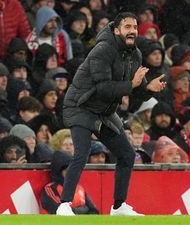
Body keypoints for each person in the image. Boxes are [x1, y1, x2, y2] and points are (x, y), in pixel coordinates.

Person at [57, 12, 166, 216]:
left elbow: (135, 92)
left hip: (104, 111)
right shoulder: (103, 50)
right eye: (127, 27)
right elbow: (103, 88)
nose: (132, 31)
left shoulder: (136, 54)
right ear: (116, 30)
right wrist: (131, 85)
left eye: (134, 27)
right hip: (81, 105)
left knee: (126, 154)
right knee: (81, 153)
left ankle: (118, 207)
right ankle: (64, 205)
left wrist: (148, 88)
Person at [40, 150, 99, 214]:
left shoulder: (79, 188)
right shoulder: (49, 189)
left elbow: (94, 211)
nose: (70, 174)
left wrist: (75, 211)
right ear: (59, 171)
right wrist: (84, 209)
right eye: (66, 170)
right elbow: (60, 211)